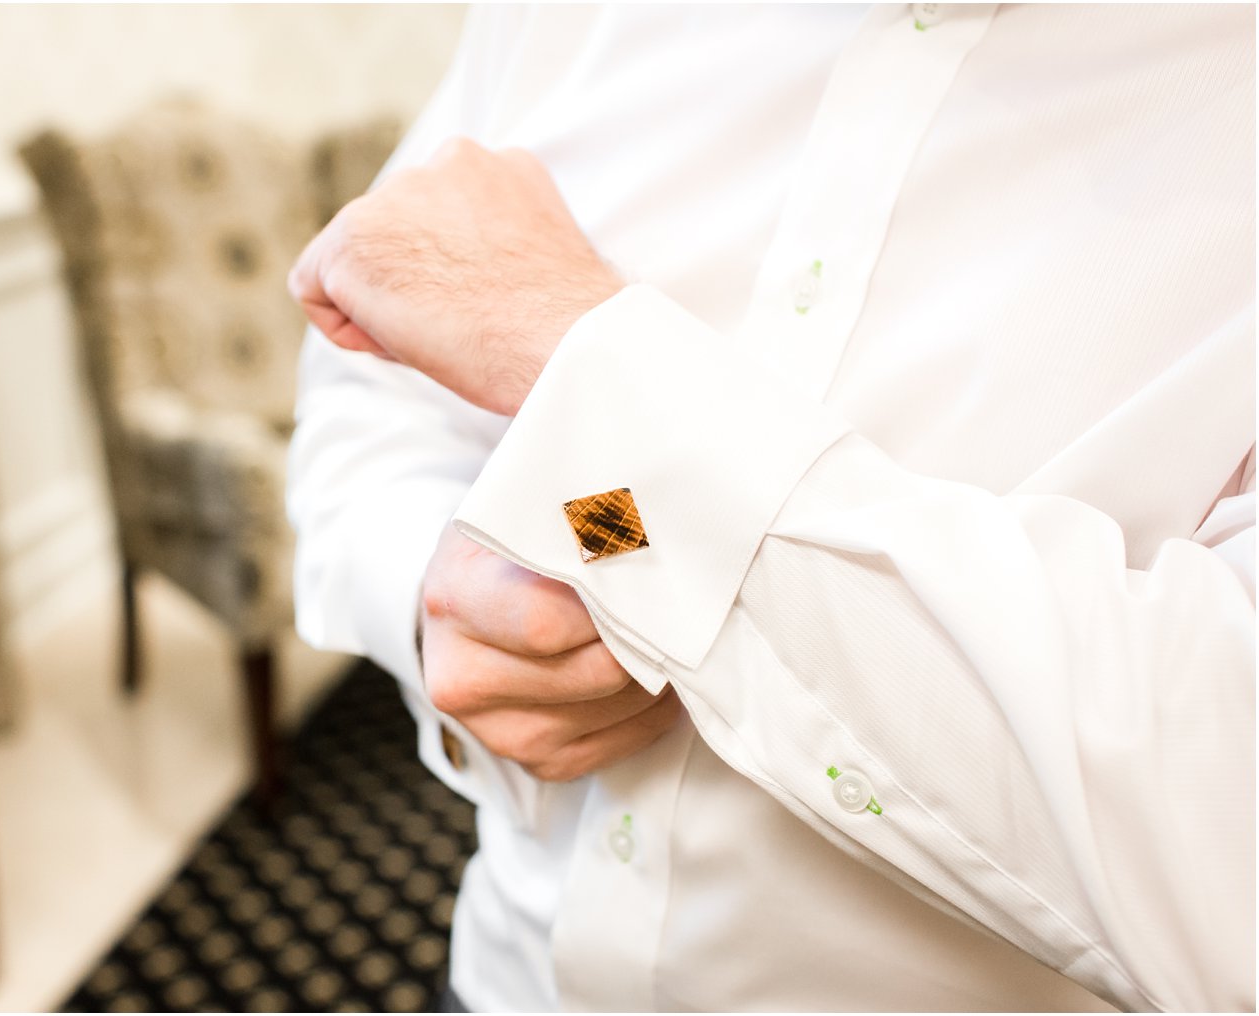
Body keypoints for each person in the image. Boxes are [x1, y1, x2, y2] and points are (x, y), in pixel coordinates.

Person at [285, 5, 1255, 1011]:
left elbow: (1225, 842)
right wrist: (430, 587)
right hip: (503, 974)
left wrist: (584, 356)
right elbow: (372, 376)